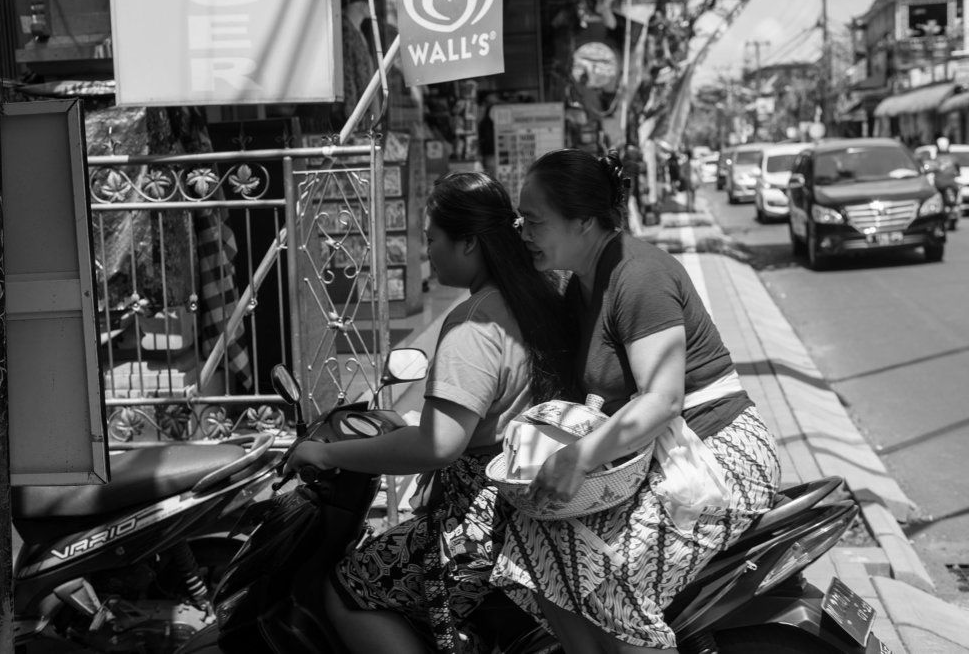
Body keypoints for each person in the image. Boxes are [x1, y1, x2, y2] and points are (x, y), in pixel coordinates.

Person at [491, 149, 782, 653]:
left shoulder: (638, 275)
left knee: (608, 582)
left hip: (718, 456)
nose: (524, 233)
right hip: (657, 458)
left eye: (534, 221)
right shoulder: (582, 284)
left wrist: (578, 458)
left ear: (583, 221)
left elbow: (663, 399)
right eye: (521, 221)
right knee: (531, 551)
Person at [285, 172, 575, 654]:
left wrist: (325, 453)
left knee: (345, 588)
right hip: (532, 516)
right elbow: (481, 420)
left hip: (481, 529)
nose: (427, 251)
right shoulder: (539, 298)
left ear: (468, 243)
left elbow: (438, 446)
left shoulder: (472, 324)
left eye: (432, 238)